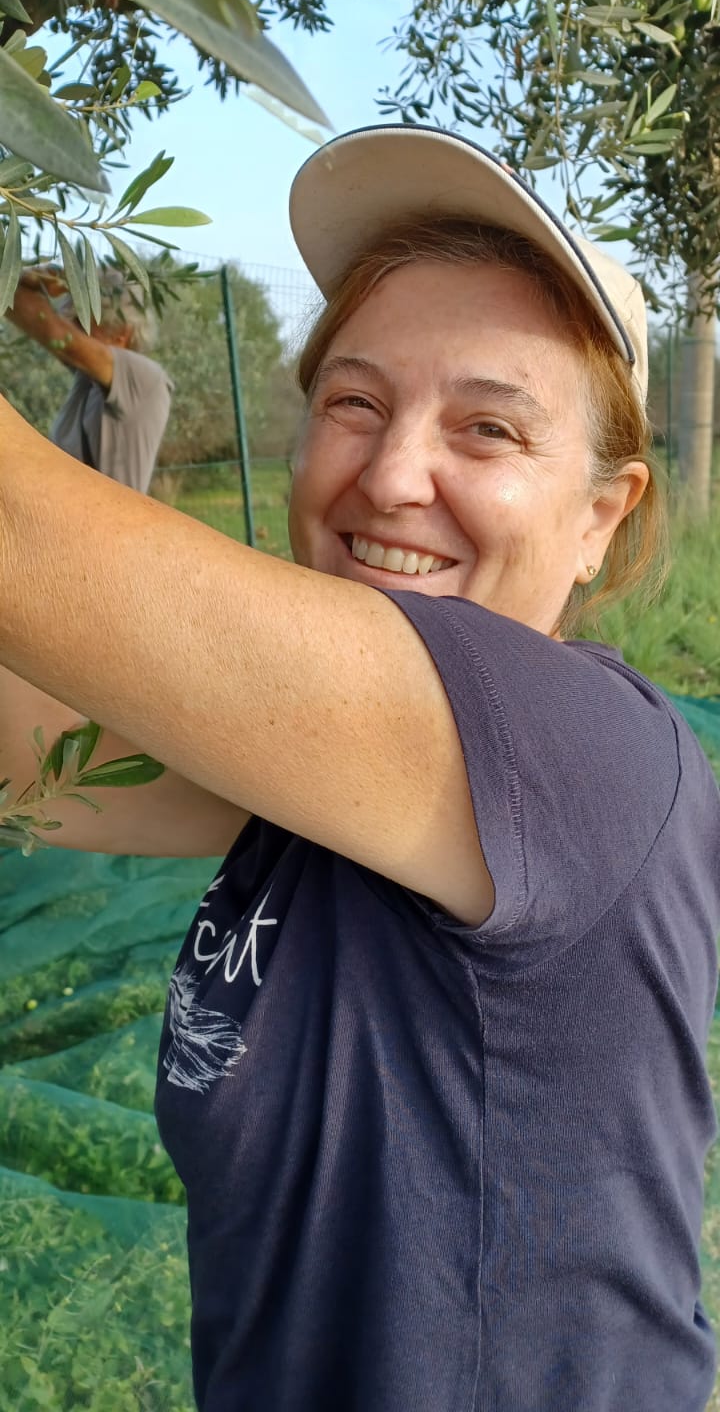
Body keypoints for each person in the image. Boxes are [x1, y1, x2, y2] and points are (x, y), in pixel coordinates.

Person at [0, 124, 718, 1412]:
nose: (391, 476)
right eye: (355, 401)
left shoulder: (581, 752)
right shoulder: (307, 778)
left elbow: (22, 536)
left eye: (489, 428)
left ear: (603, 515)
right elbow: (29, 748)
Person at [8, 263, 172, 492]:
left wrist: (18, 275)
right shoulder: (88, 379)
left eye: (81, 321)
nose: (73, 330)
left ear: (122, 332)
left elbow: (55, 334)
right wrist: (28, 276)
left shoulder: (142, 377)